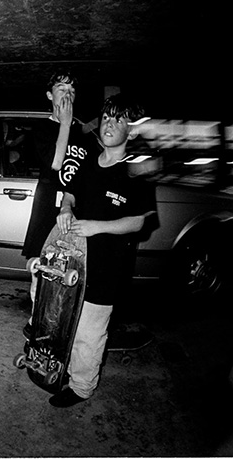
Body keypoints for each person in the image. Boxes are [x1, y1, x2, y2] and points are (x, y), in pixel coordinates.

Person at [48, 93, 156, 408]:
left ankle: (81, 387)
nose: (109, 124)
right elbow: (70, 194)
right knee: (64, 320)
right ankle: (61, 371)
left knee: (89, 333)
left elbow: (138, 222)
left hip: (107, 266)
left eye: (118, 119)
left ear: (132, 130)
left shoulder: (137, 170)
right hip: (74, 257)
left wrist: (97, 226)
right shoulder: (90, 162)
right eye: (106, 117)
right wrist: (67, 209)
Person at [21, 71, 90, 336]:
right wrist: (65, 123)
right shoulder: (43, 128)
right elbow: (56, 163)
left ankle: (62, 329)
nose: (68, 94)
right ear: (50, 96)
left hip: (74, 210)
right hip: (49, 207)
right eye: (62, 89)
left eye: (72, 90)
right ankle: (37, 325)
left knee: (72, 271)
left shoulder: (83, 132)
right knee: (42, 269)